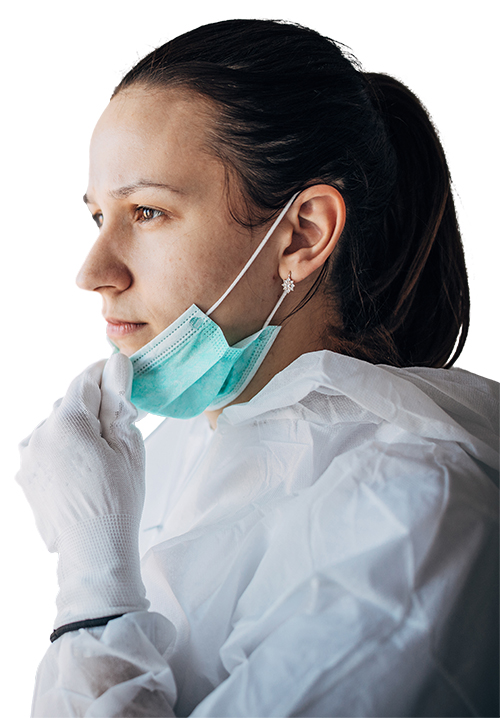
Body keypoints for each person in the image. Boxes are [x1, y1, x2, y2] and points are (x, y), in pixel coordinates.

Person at [16, 18, 498, 718]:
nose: (94, 273)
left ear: (302, 233)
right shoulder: (184, 460)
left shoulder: (416, 515)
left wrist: (95, 589)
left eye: (148, 211)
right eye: (99, 217)